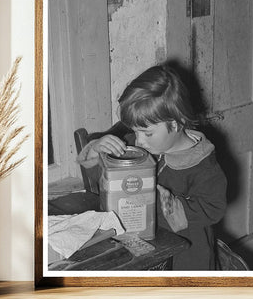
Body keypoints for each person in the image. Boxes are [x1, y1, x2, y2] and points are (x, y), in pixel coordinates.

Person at [77, 64, 227, 270]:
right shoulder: (140, 146)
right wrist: (97, 149)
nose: (138, 142)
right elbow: (104, 178)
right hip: (140, 249)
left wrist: (173, 206)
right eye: (134, 131)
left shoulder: (202, 164)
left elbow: (214, 208)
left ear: (175, 124)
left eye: (147, 133)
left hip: (185, 258)